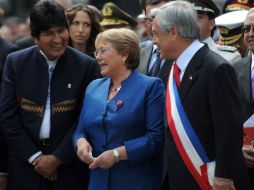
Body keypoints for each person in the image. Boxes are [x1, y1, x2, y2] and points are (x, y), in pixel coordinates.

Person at [0, 1, 99, 190]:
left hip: (69, 167)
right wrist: (35, 157)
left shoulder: (86, 66)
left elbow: (84, 117)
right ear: (35, 38)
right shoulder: (16, 62)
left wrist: (58, 158)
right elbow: (7, 116)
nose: (57, 39)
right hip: (26, 166)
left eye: (61, 31)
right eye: (48, 33)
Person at [152, 1, 251, 190]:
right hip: (178, 174)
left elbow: (228, 128)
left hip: (209, 178)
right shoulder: (172, 66)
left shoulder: (216, 68)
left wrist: (224, 175)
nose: (154, 41)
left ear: (173, 32)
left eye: (156, 33)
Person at [73, 28, 165, 190]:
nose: (98, 57)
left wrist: (117, 155)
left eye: (103, 51)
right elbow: (81, 130)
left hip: (136, 180)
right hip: (98, 181)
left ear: (125, 54)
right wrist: (80, 142)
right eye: (96, 52)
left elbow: (156, 138)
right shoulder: (94, 87)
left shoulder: (150, 86)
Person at [233, 7, 254, 189]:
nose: (250, 34)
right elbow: (226, 118)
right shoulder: (235, 68)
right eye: (246, 29)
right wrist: (237, 149)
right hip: (243, 169)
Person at [138, 0, 172, 87]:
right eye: (151, 18)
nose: (155, 23)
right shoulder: (138, 51)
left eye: (161, 17)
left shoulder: (182, 51)